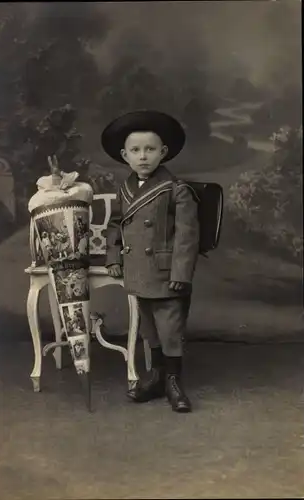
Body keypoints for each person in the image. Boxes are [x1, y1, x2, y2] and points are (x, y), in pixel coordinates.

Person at [102, 110, 199, 413]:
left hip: (166, 273)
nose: (143, 156)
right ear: (124, 155)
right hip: (137, 271)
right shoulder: (126, 189)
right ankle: (156, 376)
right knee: (150, 329)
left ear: (163, 153)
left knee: (169, 329)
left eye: (150, 149)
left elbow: (187, 236)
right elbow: (116, 225)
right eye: (136, 150)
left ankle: (173, 381)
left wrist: (181, 273)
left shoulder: (176, 189)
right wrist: (114, 257)